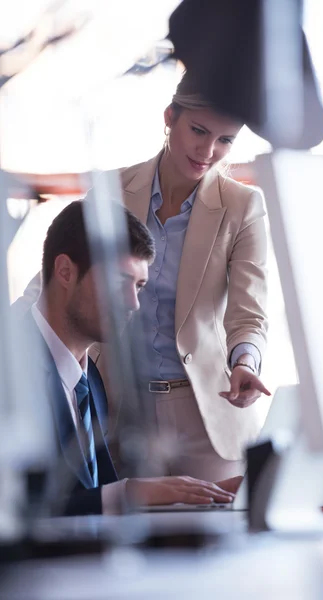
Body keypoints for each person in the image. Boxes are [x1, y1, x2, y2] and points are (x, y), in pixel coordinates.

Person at [14, 70, 270, 481]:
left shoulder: (242, 206)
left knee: (213, 535)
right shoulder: (112, 191)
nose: (208, 150)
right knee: (118, 526)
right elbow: (62, 272)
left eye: (225, 140)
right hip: (119, 404)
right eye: (198, 130)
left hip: (205, 411)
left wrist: (245, 360)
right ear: (169, 117)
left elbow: (249, 313)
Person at [18, 200, 237, 516]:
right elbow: (20, 510)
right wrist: (128, 493)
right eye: (121, 283)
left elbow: (91, 496)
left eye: (140, 286)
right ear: (65, 271)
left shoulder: (89, 378)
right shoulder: (11, 372)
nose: (134, 303)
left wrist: (200, 496)